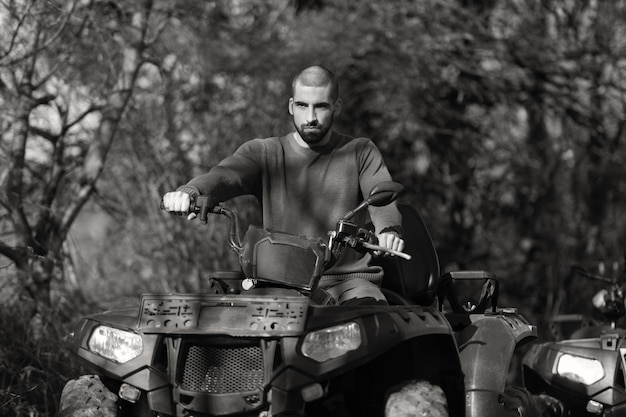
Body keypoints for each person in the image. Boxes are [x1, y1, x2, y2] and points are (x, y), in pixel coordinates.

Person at [162, 65, 405, 304]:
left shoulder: (360, 151)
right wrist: (191, 192)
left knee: (368, 318)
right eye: (302, 105)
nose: (310, 117)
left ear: (336, 107)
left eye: (320, 106)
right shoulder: (266, 152)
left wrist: (388, 232)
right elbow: (226, 175)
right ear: (291, 106)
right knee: (238, 324)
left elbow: (382, 196)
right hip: (281, 282)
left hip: (348, 282)